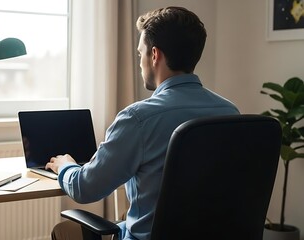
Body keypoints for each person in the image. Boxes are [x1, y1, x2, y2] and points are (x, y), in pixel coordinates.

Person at [46, 6, 240, 240]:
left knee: (64, 232)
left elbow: (85, 188)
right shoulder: (230, 112)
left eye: (140, 54)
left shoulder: (138, 119)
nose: (140, 63)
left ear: (155, 55)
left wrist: (65, 166)